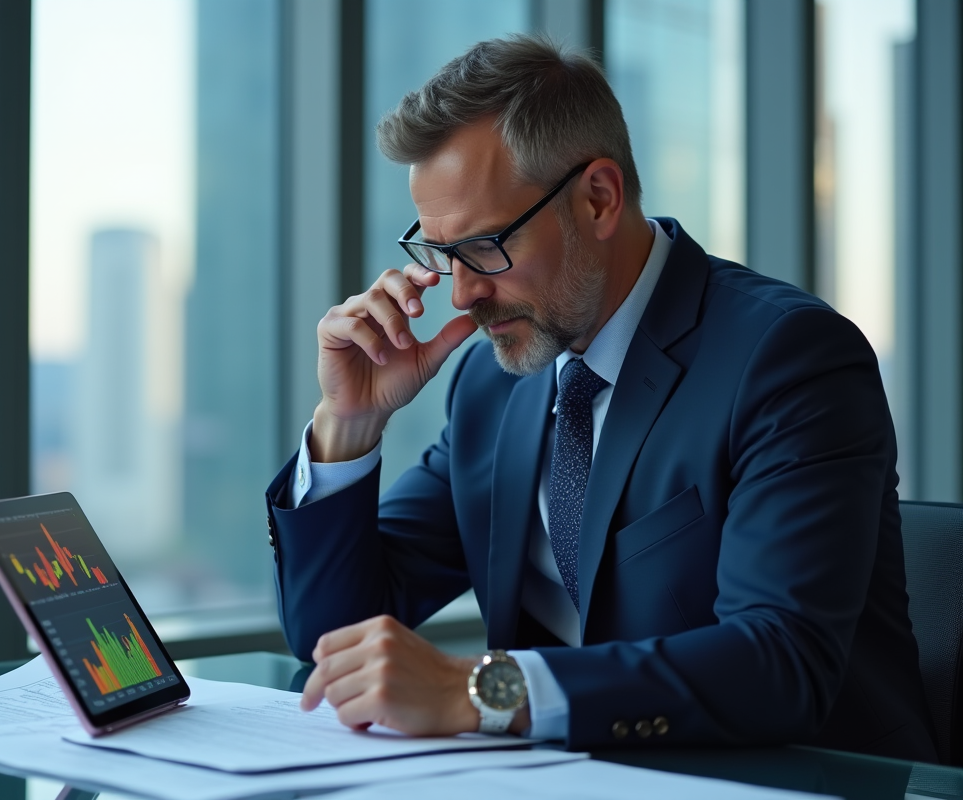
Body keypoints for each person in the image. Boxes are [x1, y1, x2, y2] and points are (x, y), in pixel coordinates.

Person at [263, 34, 936, 761]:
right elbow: (336, 641)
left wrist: (480, 692)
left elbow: (780, 663)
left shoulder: (787, 358)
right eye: (441, 254)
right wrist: (348, 424)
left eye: (486, 246)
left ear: (598, 199)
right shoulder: (493, 385)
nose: (463, 293)